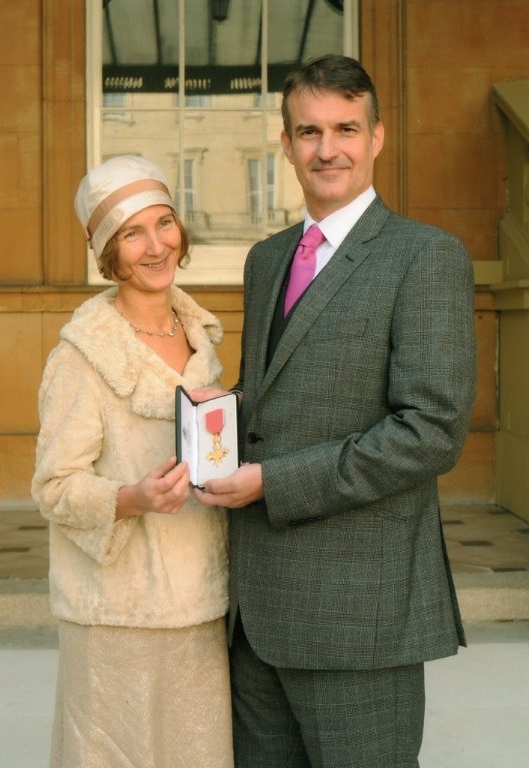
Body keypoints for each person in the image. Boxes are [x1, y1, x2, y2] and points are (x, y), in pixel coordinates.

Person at [194, 54, 477, 767]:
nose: (328, 149)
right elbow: (280, 397)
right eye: (309, 131)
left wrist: (274, 483)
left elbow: (430, 431)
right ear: (285, 144)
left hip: (360, 614)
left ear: (377, 137)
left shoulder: (425, 257)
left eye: (346, 128)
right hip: (256, 615)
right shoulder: (268, 259)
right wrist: (220, 410)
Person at [31, 154, 233, 768]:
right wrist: (131, 499)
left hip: (200, 605)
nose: (155, 246)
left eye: (164, 223)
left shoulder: (202, 337)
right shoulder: (81, 357)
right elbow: (55, 487)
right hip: (113, 615)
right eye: (132, 232)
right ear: (107, 252)